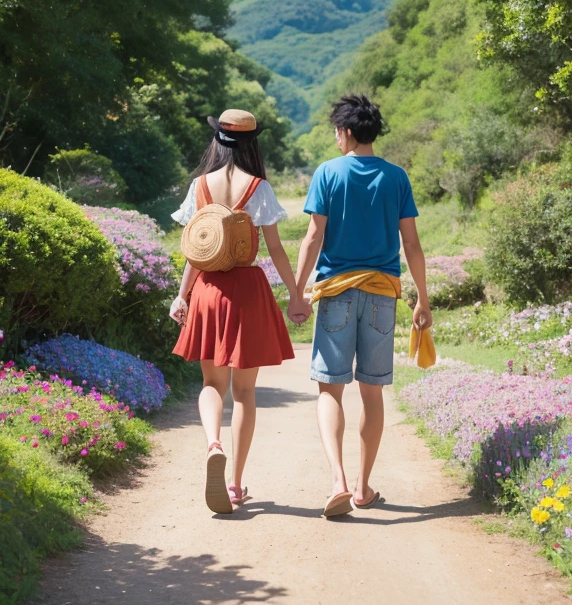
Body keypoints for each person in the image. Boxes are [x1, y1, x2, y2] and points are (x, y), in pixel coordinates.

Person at [291, 94, 432, 518]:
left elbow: (313, 238)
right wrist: (423, 299)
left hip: (335, 294)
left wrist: (298, 292)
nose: (337, 138)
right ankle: (362, 487)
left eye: (337, 131)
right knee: (372, 394)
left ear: (346, 132)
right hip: (381, 295)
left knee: (329, 390)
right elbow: (411, 243)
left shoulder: (328, 173)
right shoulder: (397, 177)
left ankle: (337, 481)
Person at [170, 109, 309, 514]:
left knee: (212, 384)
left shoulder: (200, 187)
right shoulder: (258, 188)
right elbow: (278, 250)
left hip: (209, 291)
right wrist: (296, 295)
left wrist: (183, 296)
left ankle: (212, 443)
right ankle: (234, 485)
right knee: (245, 392)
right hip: (248, 290)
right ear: (252, 143)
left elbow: (197, 249)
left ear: (217, 140)